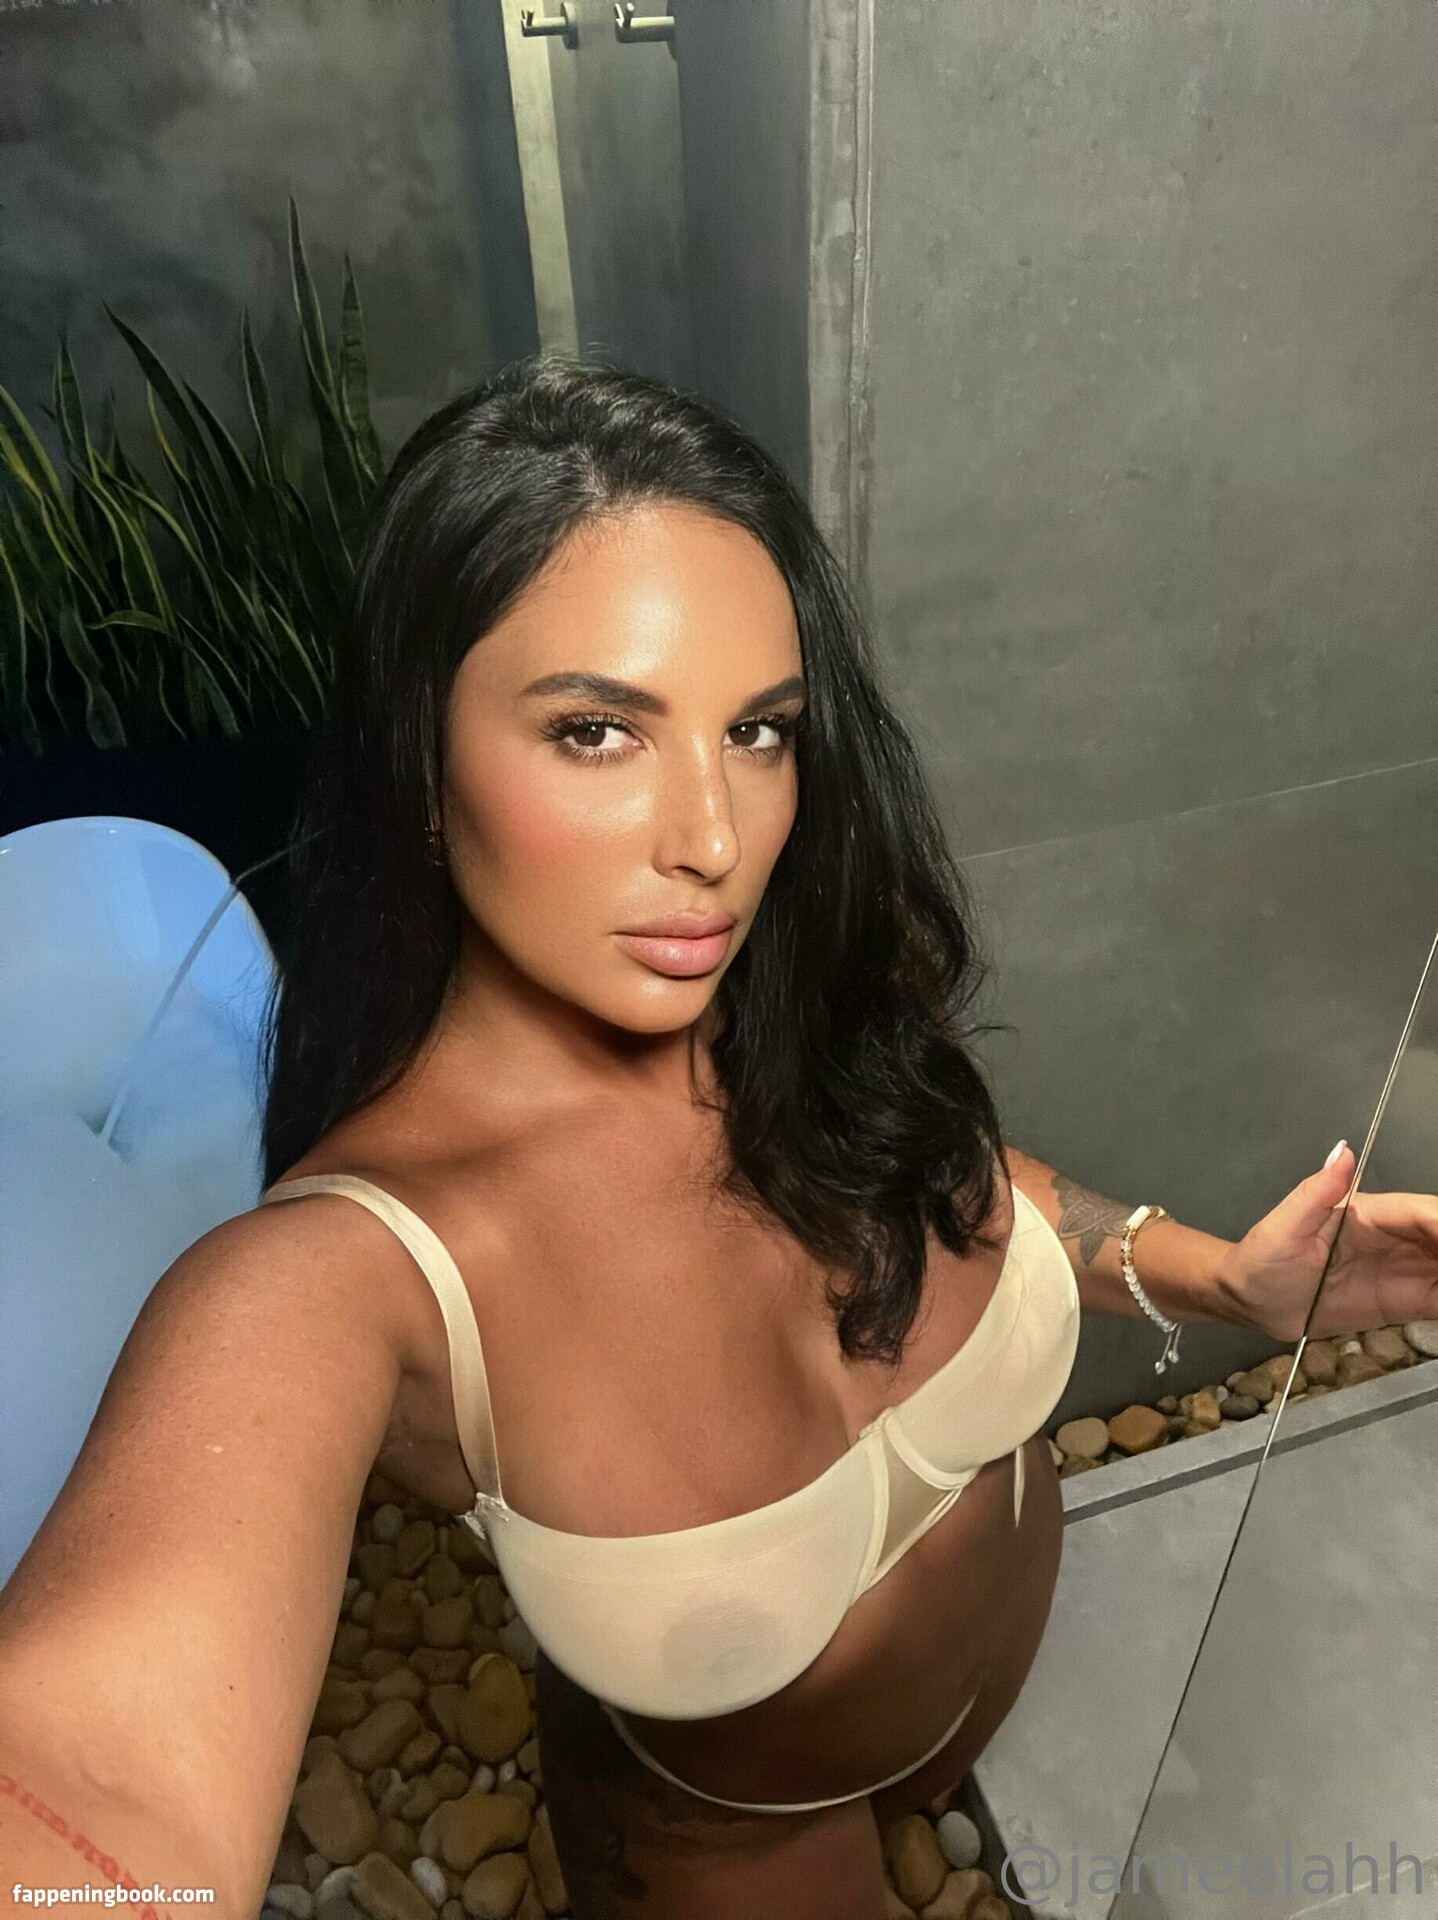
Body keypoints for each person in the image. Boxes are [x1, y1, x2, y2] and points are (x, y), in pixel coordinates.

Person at [0, 355, 1371, 1920]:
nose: (716, 841)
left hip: (982, 1675)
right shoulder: (339, 1277)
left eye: (760, 732)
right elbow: (93, 1783)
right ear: (420, 762)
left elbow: (956, 1186)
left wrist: (1214, 1277)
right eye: (598, 732)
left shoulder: (788, 995)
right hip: (743, 1838)